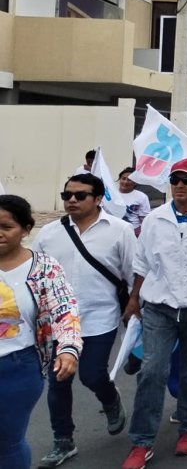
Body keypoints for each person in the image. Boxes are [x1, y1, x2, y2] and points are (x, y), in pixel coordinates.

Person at [122, 159, 187, 469]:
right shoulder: (155, 219)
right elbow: (142, 264)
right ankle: (141, 442)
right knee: (152, 371)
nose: (180, 185)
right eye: (175, 180)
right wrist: (133, 301)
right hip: (159, 306)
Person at [32, 173, 135, 468]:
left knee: (91, 374)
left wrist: (134, 302)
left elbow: (132, 271)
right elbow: (35, 276)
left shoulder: (120, 230)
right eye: (67, 196)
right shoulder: (49, 233)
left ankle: (110, 398)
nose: (72, 201)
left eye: (80, 195)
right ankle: (63, 440)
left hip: (101, 316)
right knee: (58, 382)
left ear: (99, 198)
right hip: (57, 323)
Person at [0, 194, 81, 469]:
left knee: (7, 441)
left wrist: (68, 349)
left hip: (16, 368)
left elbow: (65, 311)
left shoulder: (44, 267)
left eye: (5, 226)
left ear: (25, 229)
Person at [117, 167, 152, 236]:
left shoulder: (142, 197)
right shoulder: (111, 194)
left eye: (129, 180)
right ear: (119, 179)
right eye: (123, 178)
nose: (125, 182)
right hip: (114, 230)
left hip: (134, 232)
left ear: (135, 182)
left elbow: (144, 219)